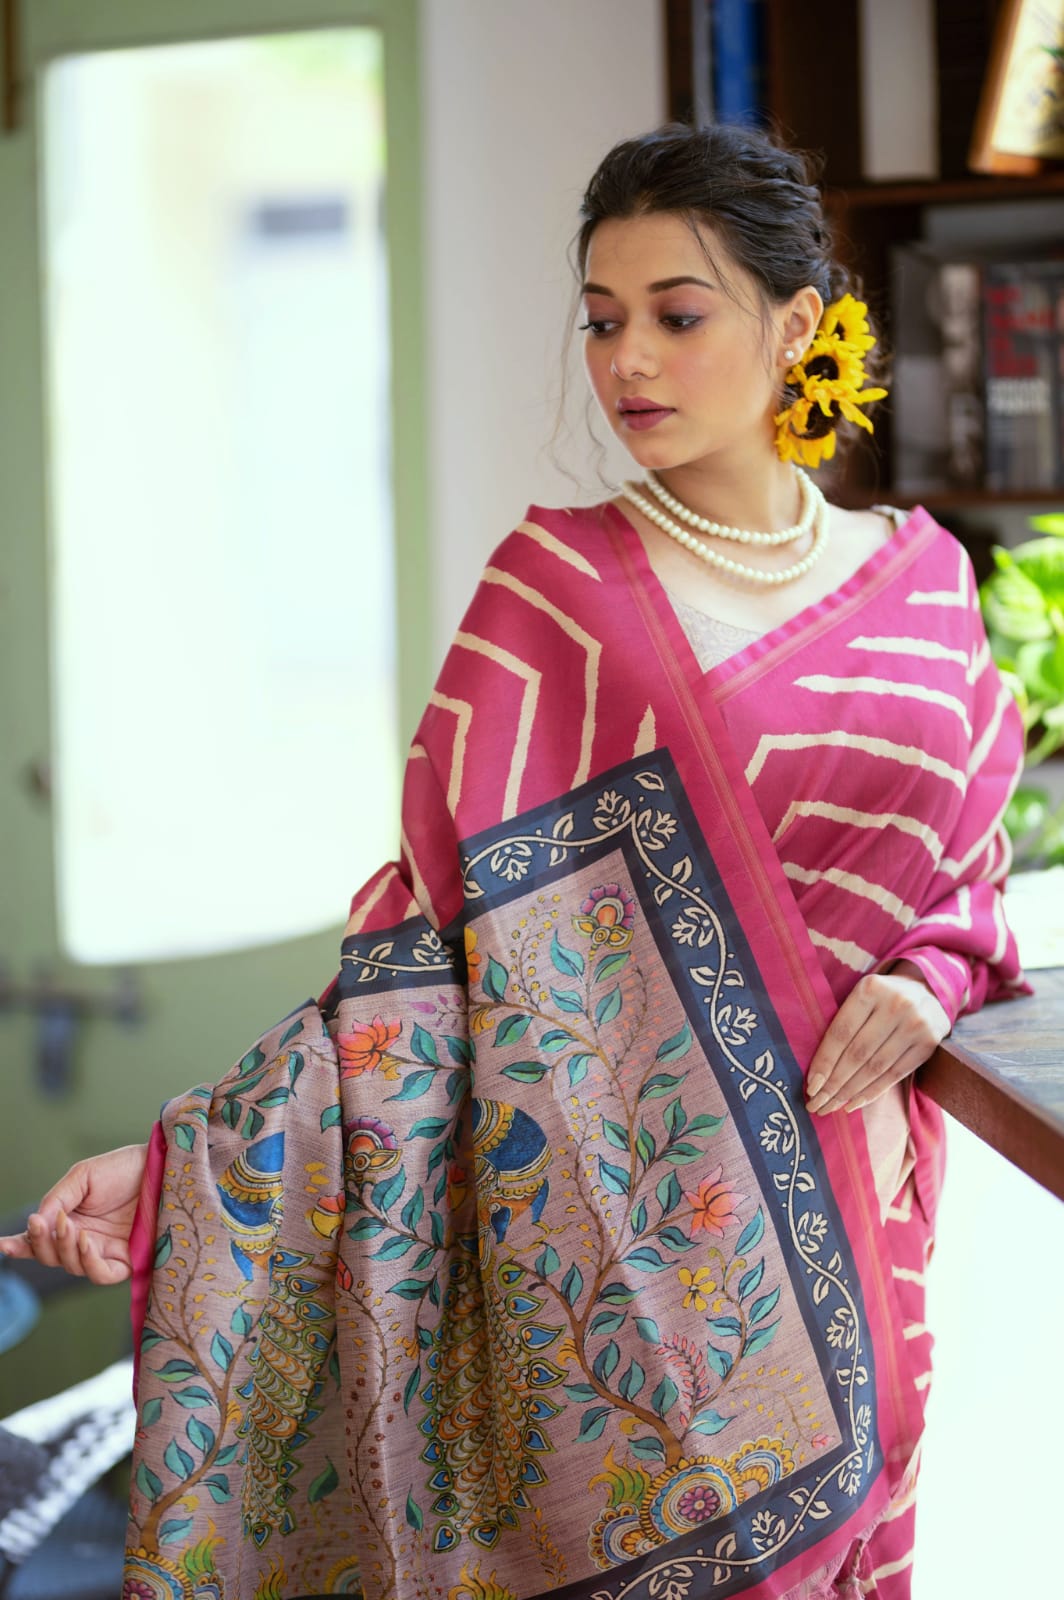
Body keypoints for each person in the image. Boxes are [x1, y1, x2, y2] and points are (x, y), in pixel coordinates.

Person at [1, 122, 1028, 1600]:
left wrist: (932, 977)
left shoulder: (923, 581)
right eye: (605, 322)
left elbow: (971, 879)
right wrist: (185, 1169)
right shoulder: (554, 597)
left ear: (796, 326)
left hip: (865, 1219)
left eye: (680, 315)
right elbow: (417, 967)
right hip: (620, 1265)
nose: (630, 364)